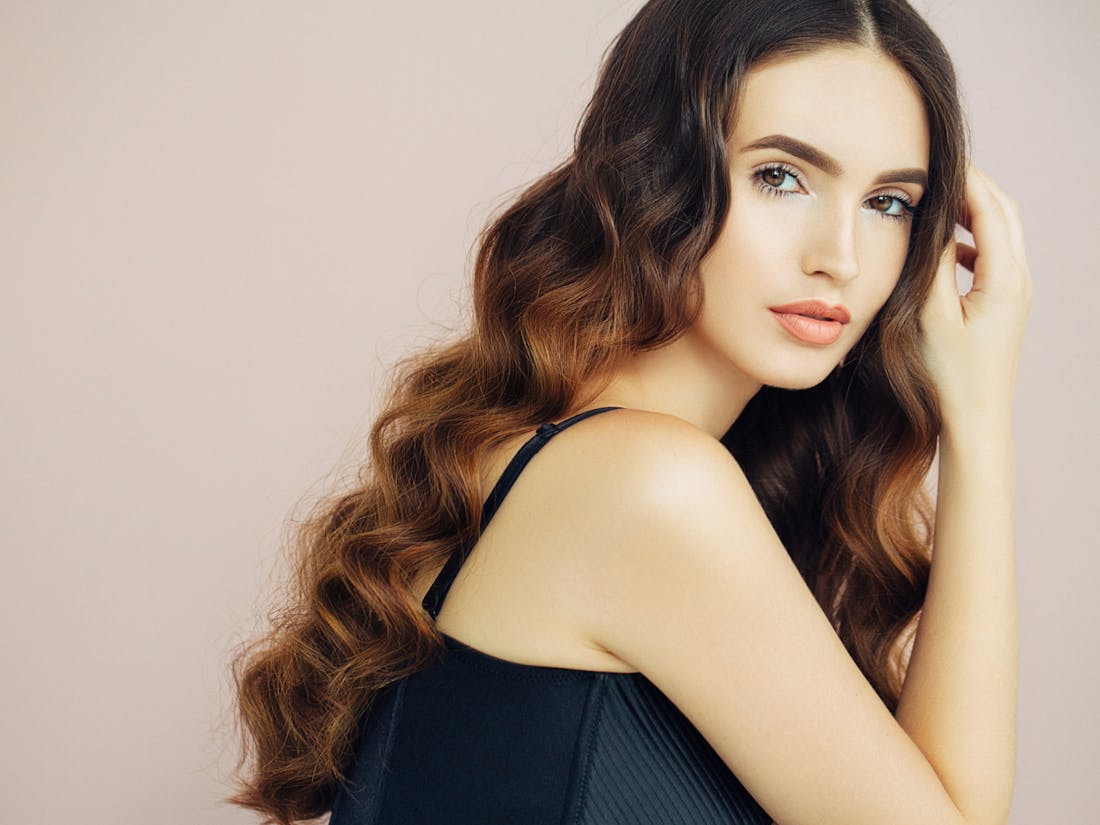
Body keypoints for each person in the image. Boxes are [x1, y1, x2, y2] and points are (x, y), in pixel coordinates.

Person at [227, 0, 1031, 823]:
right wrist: (977, 412)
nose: (842, 258)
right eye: (780, 177)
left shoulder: (547, 451)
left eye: (890, 202)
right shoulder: (647, 486)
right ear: (658, 173)